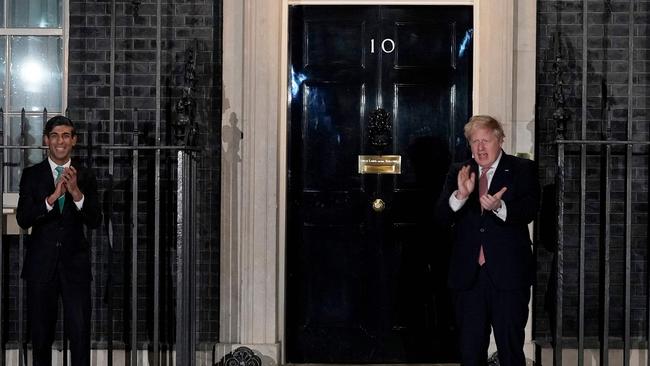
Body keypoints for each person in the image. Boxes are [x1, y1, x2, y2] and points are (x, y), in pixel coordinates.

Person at [436, 115, 540, 366]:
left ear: (500, 140)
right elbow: (440, 218)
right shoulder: (459, 171)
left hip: (508, 276)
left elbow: (529, 210)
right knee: (470, 351)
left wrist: (499, 206)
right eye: (474, 142)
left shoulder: (522, 169)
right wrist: (460, 196)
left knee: (510, 349)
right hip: (469, 277)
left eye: (486, 140)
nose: (480, 148)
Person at [16, 115, 101, 366]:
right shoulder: (32, 175)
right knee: (40, 338)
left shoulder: (85, 176)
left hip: (75, 268)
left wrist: (76, 193)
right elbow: (23, 219)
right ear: (46, 140)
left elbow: (95, 220)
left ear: (73, 140)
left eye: (65, 135)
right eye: (54, 136)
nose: (60, 141)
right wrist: (52, 198)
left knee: (80, 335)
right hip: (41, 268)